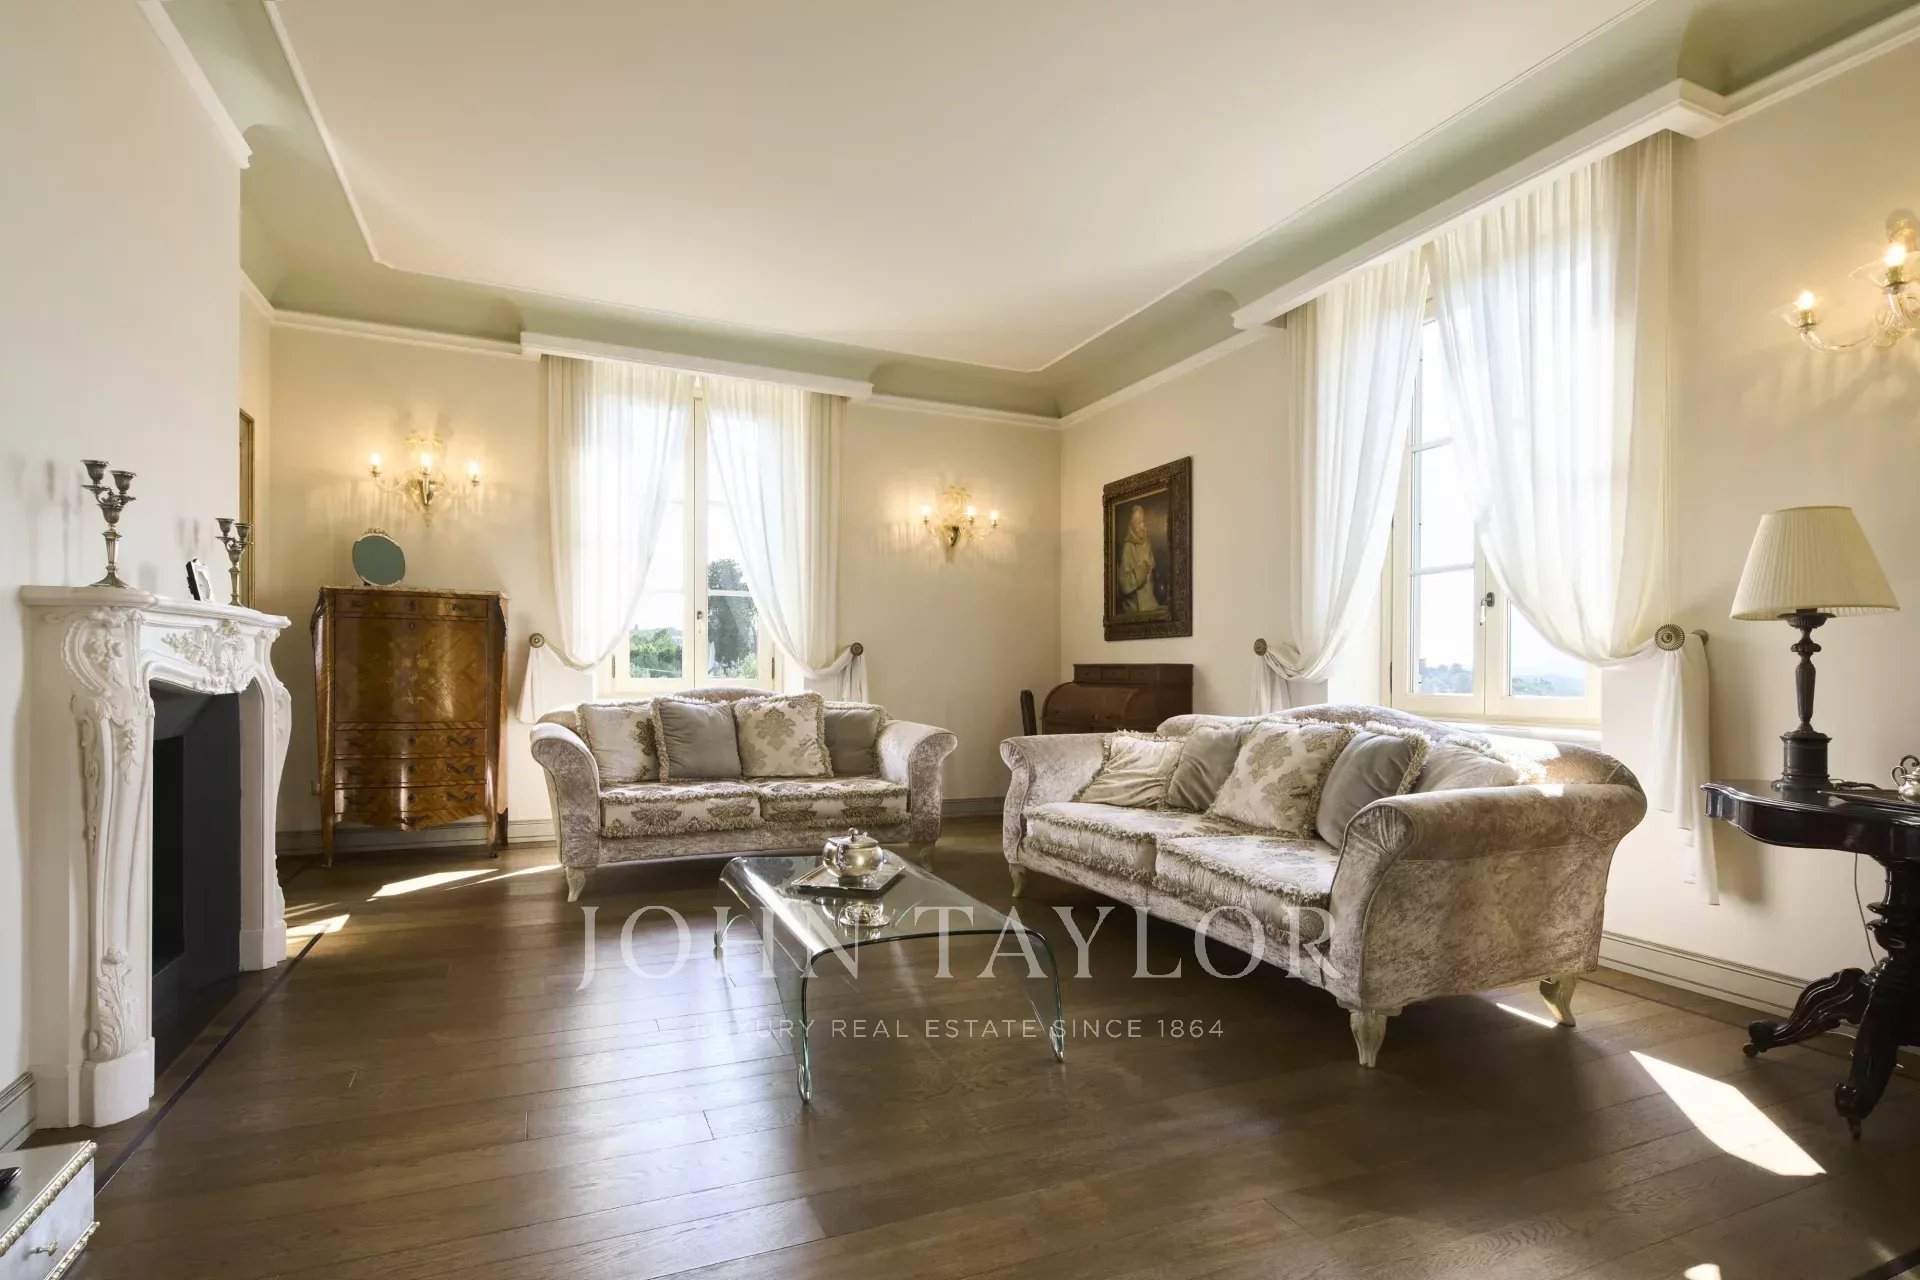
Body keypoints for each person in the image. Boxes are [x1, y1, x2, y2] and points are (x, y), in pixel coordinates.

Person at [1117, 503, 1160, 613]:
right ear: (1132, 527)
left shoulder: (1147, 543)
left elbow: (1153, 573)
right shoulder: (1128, 547)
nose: (1142, 526)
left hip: (1151, 604)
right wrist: (1139, 573)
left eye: (1142, 522)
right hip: (1136, 609)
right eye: (1138, 523)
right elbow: (1124, 585)